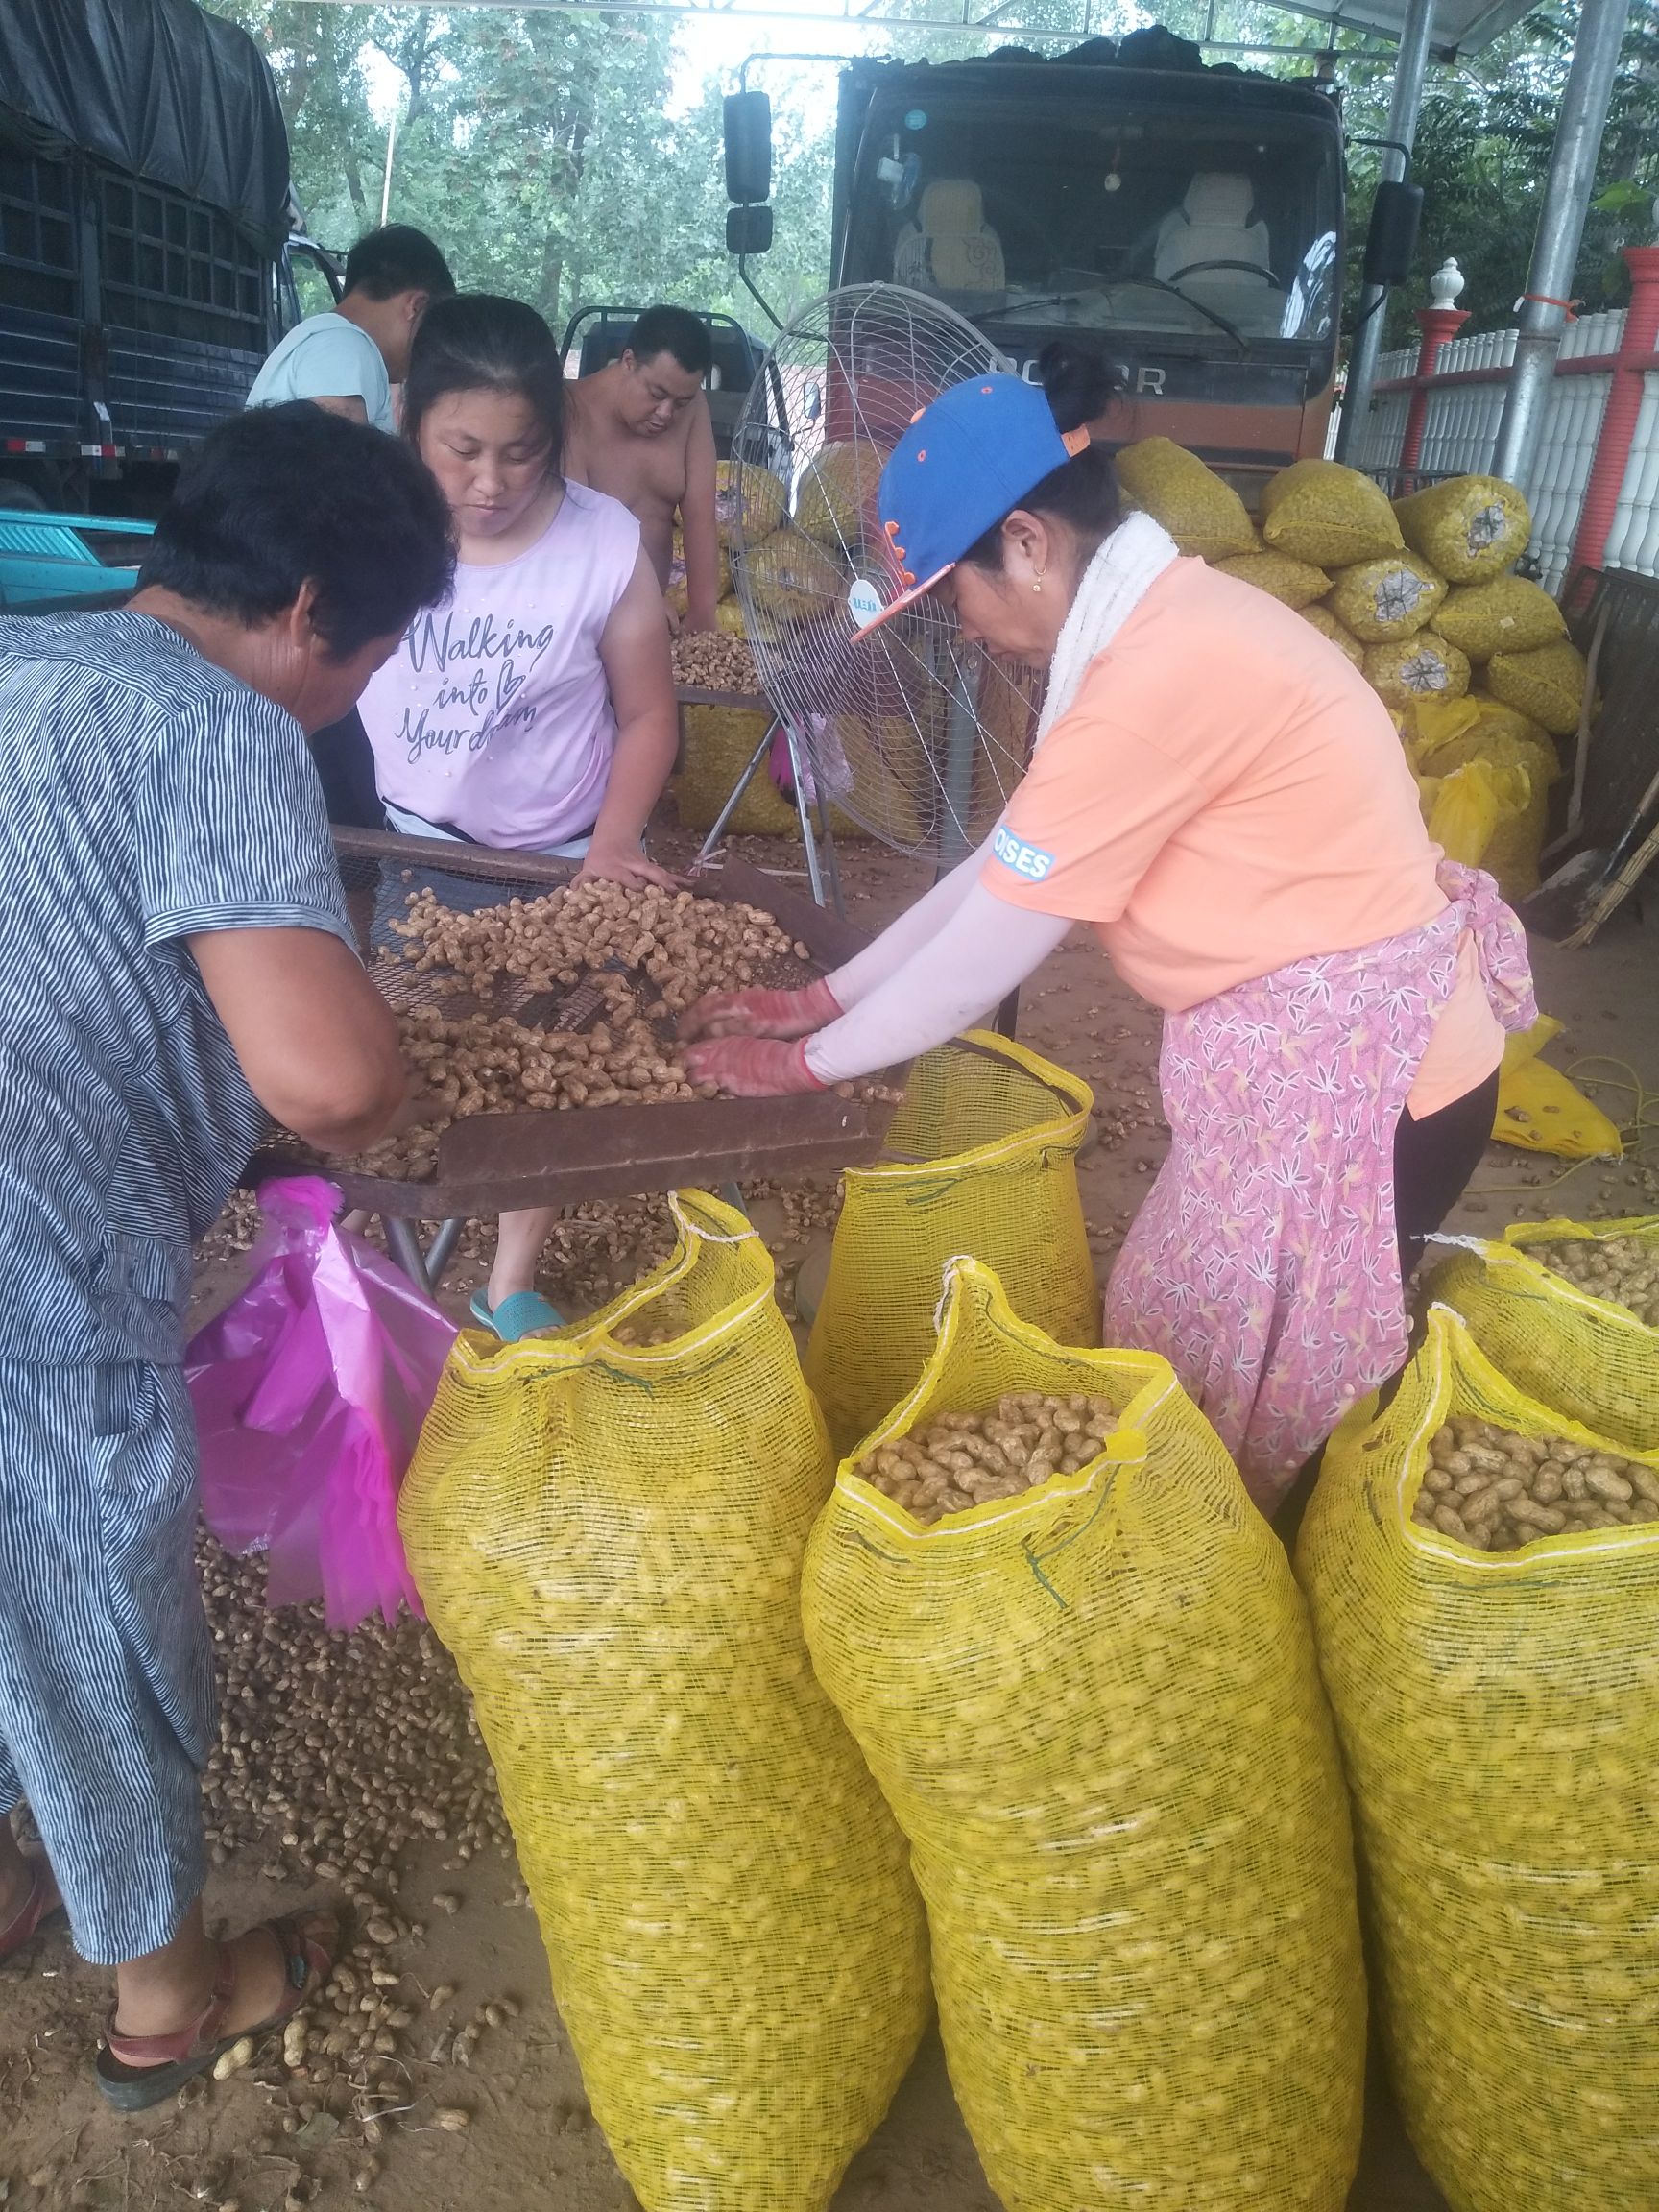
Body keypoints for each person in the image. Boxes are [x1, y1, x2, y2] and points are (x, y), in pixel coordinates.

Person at [679, 352, 1537, 1509]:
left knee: (1257, 1408)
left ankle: (1239, 1607)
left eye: (957, 600)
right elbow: (1001, 866)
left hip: (1371, 1094)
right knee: (1184, 1341)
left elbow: (992, 950)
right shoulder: (1149, 636)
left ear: (1029, 543)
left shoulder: (1156, 672)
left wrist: (804, 1065)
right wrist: (822, 1002)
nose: (966, 635)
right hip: (1313, 1071)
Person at [0, 405, 453, 2104]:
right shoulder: (218, 727)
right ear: (313, 606)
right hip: (30, 1265)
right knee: (84, 1608)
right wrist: (388, 1036)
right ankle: (168, 1997)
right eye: (375, 654)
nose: (355, 697)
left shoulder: (26, 657)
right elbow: (329, 1081)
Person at [357, 294, 680, 1340]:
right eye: (460, 451)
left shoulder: (600, 545)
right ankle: (378, 1279)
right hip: (416, 854)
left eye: (520, 452)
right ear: (411, 426)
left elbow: (647, 714)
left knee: (549, 1078)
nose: (488, 483)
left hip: (559, 869)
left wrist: (614, 845)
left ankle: (510, 1276)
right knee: (403, 1080)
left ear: (555, 437)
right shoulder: (378, 529)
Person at [248, 225, 456, 829]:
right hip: (296, 598)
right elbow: (335, 480)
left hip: (290, 592)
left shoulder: (314, 340)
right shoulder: (345, 347)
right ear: (415, 305)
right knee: (339, 784)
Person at [564, 304, 721, 633]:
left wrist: (703, 611)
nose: (666, 413)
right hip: (581, 615)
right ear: (629, 362)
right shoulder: (571, 411)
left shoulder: (692, 408)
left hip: (651, 617)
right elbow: (571, 535)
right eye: (657, 394)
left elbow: (700, 516)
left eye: (680, 402)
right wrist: (634, 598)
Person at [246, 224, 455, 429]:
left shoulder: (328, 338)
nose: (428, 352)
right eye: (430, 330)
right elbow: (341, 460)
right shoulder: (345, 346)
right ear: (417, 306)